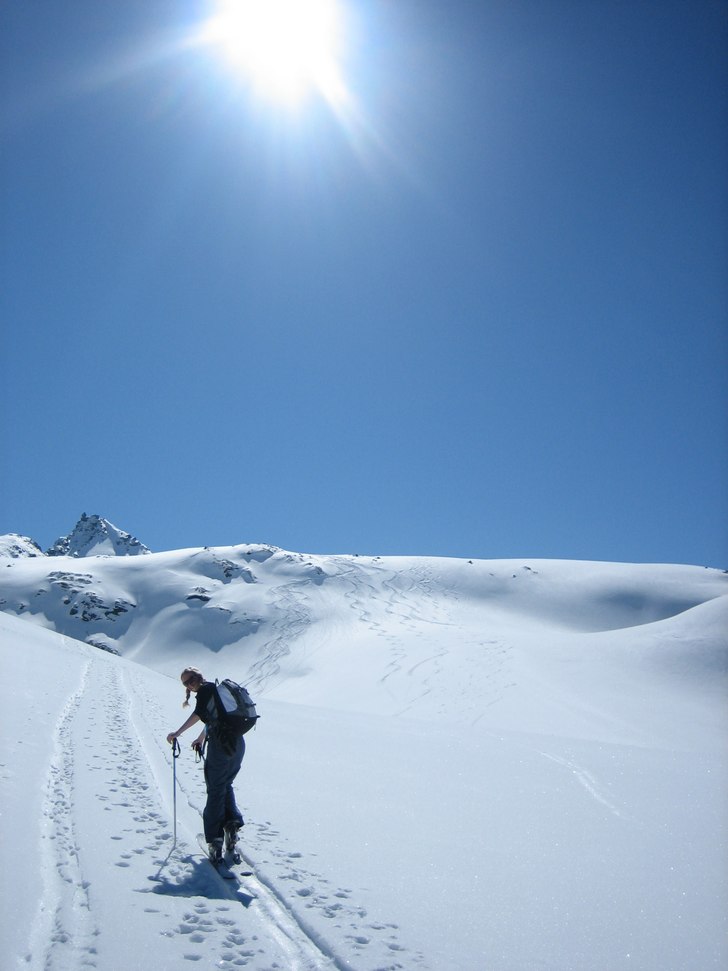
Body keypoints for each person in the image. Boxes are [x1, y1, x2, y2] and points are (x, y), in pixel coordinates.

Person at [166, 667, 245, 864]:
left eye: (190, 680)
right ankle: (232, 828)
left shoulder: (204, 692)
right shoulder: (216, 690)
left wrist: (177, 732)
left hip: (220, 746)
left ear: (197, 678)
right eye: (186, 683)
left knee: (216, 789)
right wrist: (201, 738)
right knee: (225, 784)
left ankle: (215, 841)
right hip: (237, 743)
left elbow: (199, 714)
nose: (189, 684)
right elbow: (213, 719)